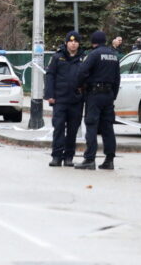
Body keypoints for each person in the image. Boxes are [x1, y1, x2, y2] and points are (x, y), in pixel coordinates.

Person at [75, 31, 120, 170]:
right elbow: (118, 78)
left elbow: (82, 72)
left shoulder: (94, 54)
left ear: (93, 42)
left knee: (91, 125)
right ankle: (109, 159)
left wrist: (79, 86)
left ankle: (89, 159)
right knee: (108, 128)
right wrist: (113, 96)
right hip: (108, 95)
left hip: (94, 95)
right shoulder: (113, 55)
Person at [45, 31, 85, 167]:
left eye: (76, 41)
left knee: (73, 130)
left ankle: (69, 157)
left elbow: (87, 78)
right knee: (59, 128)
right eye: (71, 41)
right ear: (66, 42)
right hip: (60, 99)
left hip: (76, 100)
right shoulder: (57, 57)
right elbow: (50, 76)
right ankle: (56, 156)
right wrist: (50, 95)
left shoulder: (83, 58)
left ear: (79, 44)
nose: (73, 44)